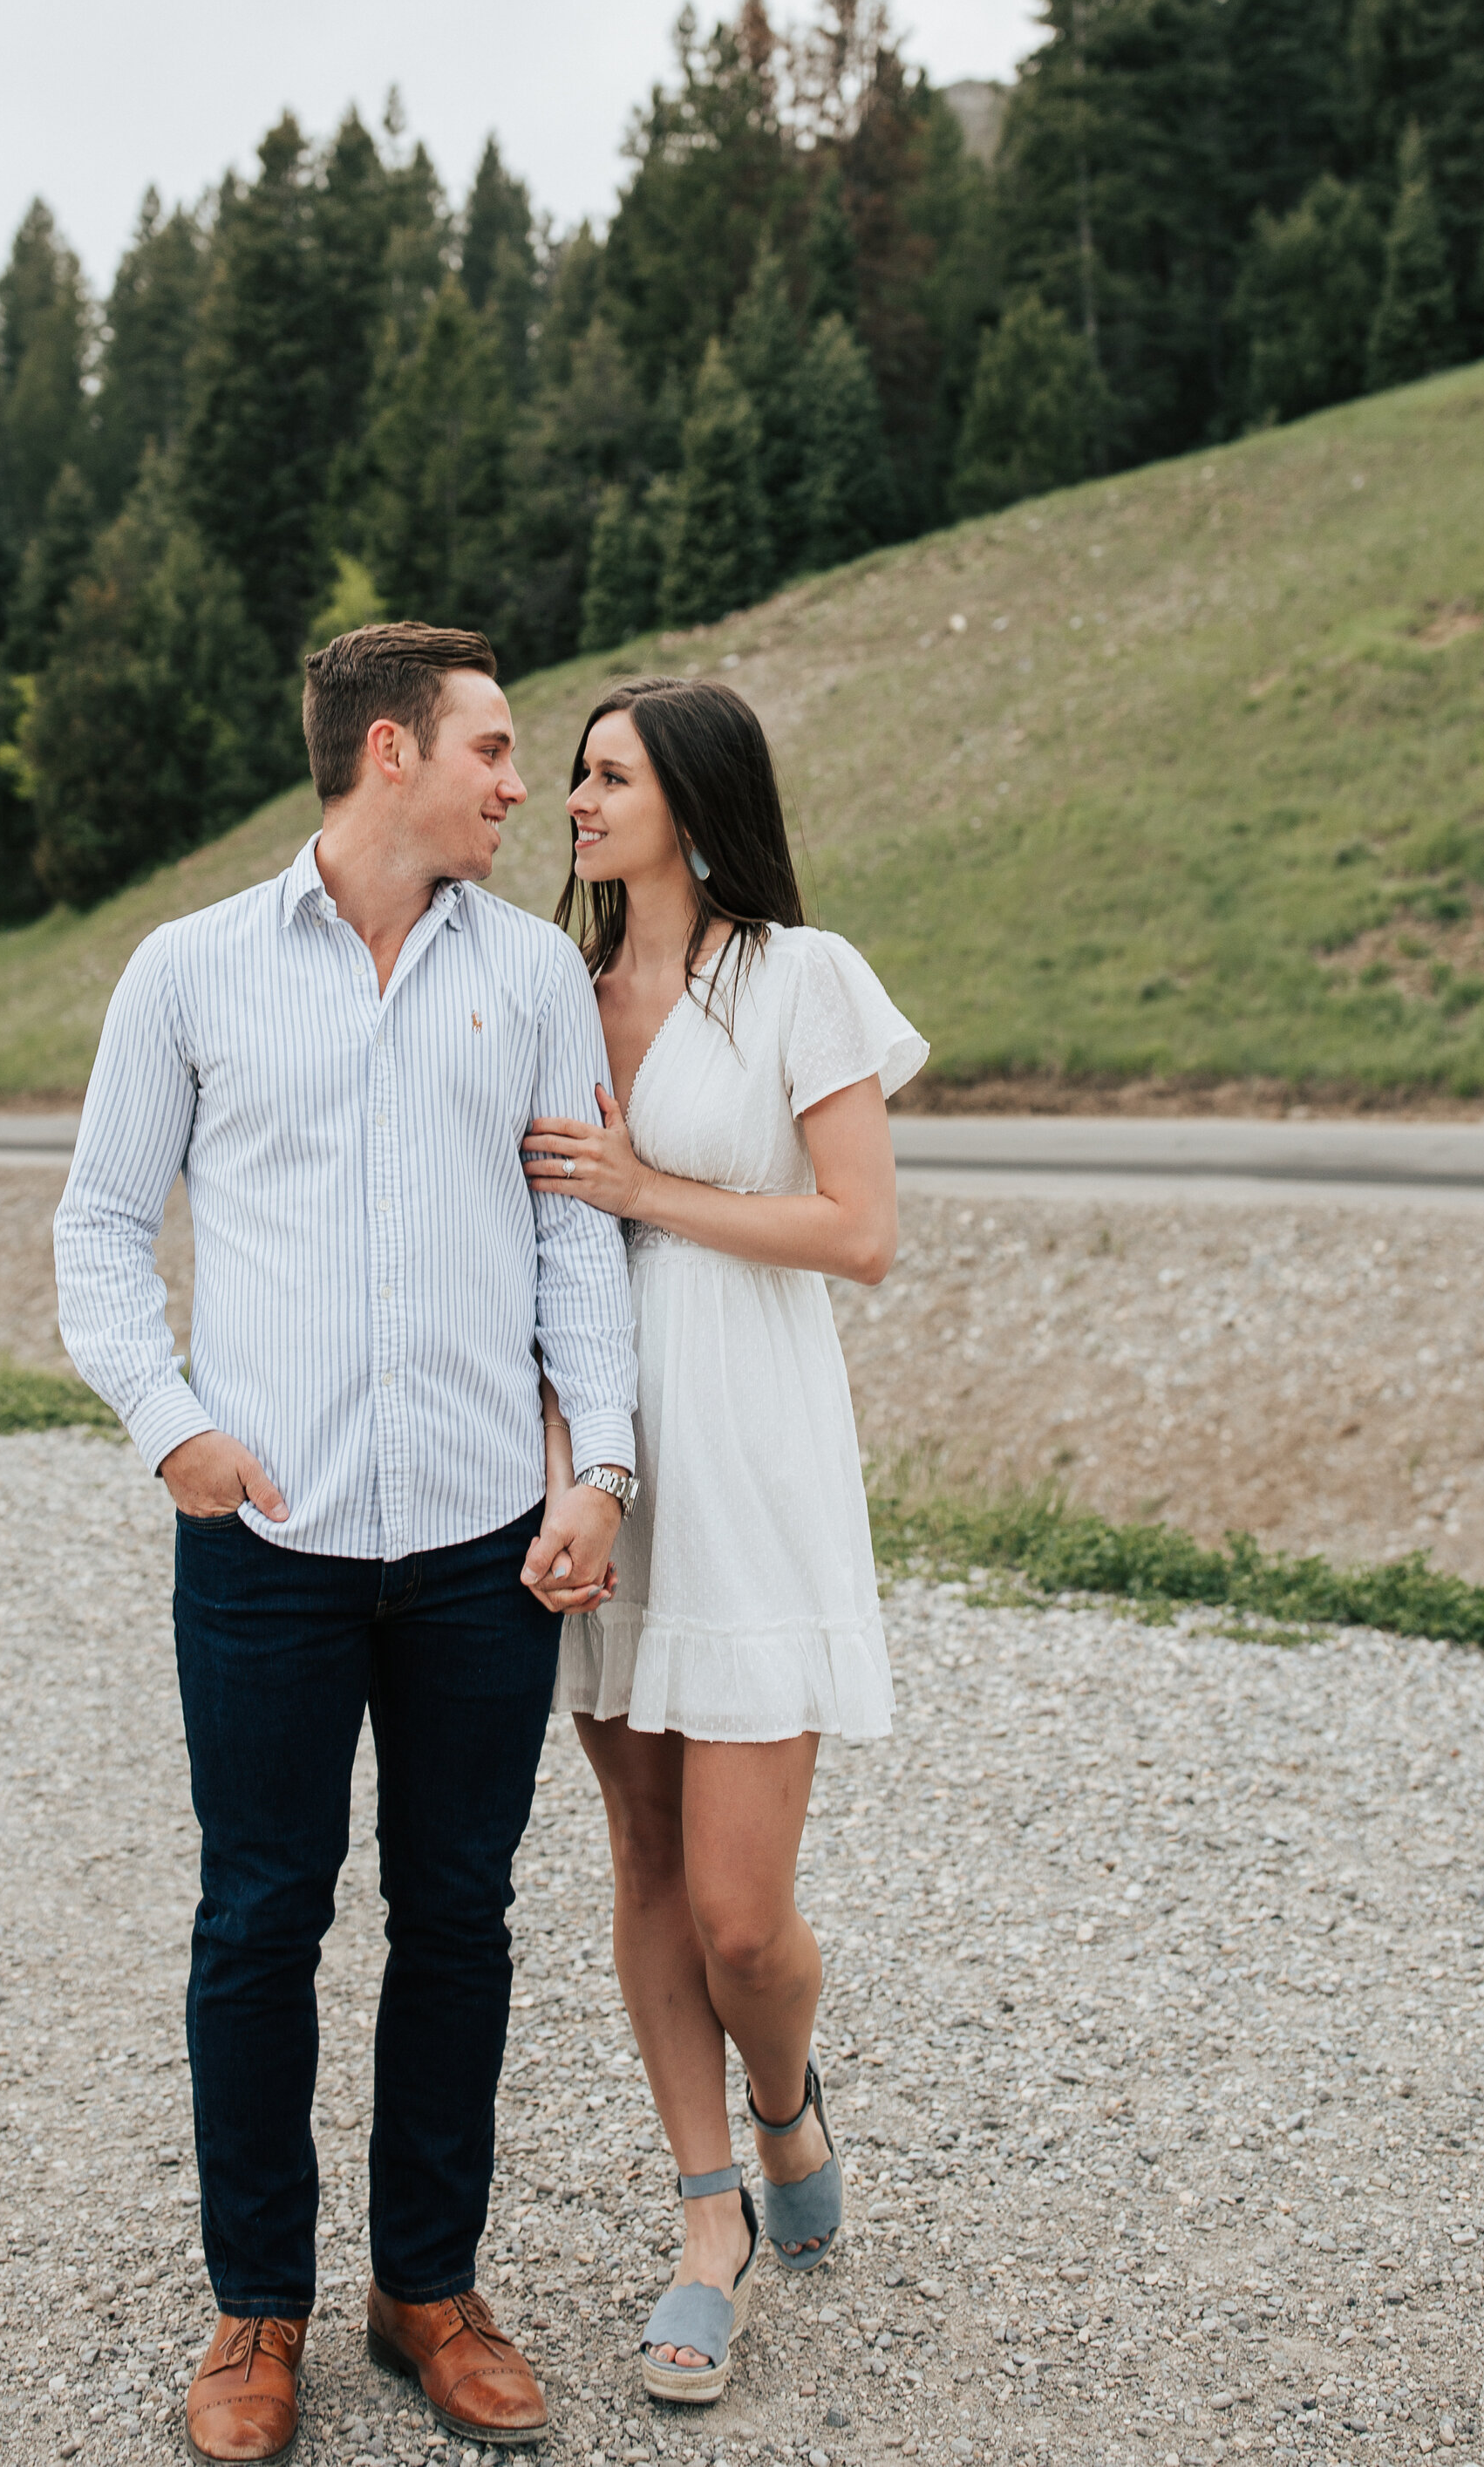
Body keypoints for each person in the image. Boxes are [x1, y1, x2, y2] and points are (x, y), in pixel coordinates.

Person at [54, 623, 638, 2464]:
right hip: (266, 1541)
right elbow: (95, 1233)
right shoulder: (191, 971)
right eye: (489, 746)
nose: (516, 782)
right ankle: (256, 2314)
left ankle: (426, 2291)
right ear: (388, 752)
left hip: (478, 1539)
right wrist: (179, 1436)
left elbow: (571, 1246)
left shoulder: (534, 972)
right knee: (259, 1919)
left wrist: (596, 1469)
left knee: (457, 1917)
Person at [517, 676, 928, 2409]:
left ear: (689, 798)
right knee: (644, 1869)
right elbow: (530, 1265)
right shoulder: (549, 996)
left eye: (606, 775)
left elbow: (858, 1233)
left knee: (743, 1917)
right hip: (609, 1480)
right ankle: (708, 2223)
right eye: (569, 776)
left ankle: (780, 2104)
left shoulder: (795, 976)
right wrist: (563, 1473)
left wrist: (642, 1191)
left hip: (753, 1465)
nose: (574, 802)